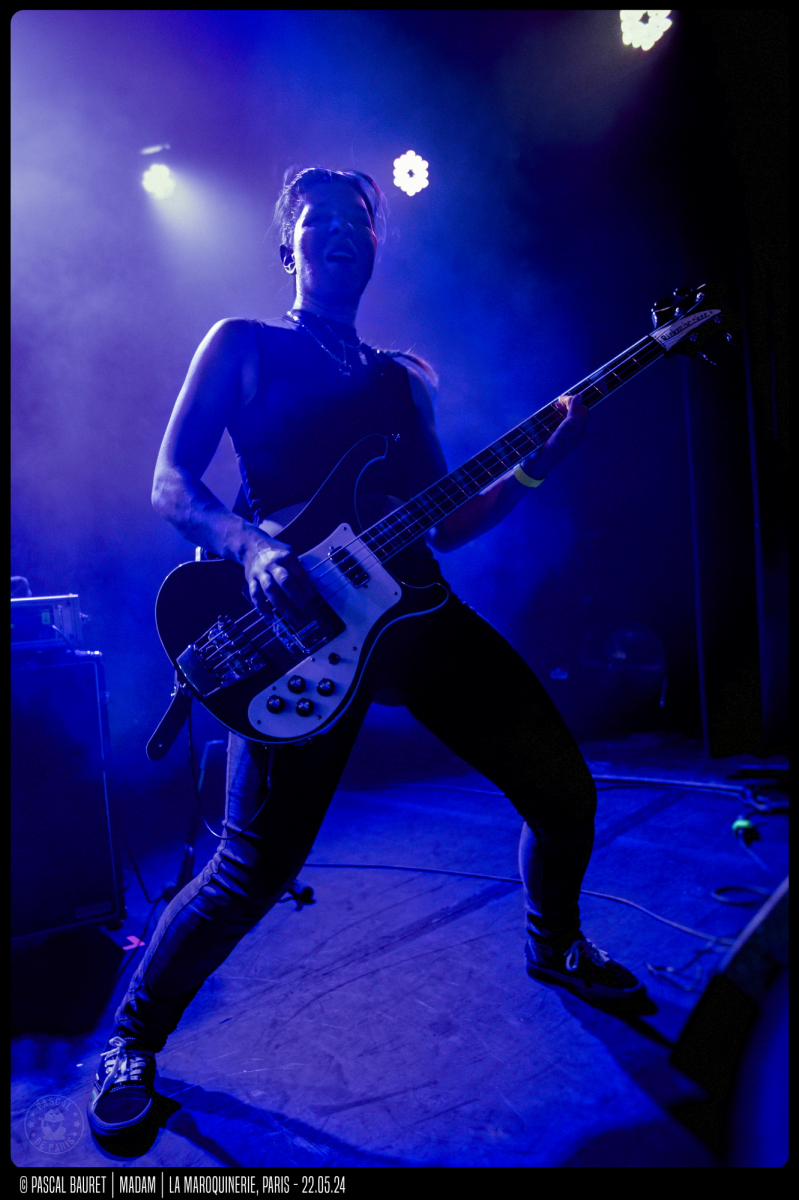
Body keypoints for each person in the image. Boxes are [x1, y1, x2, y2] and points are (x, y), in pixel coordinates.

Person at [88, 167, 643, 1139]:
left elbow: (448, 519)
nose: (342, 231)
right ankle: (131, 1039)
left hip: (416, 615)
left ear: (378, 245)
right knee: (248, 873)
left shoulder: (401, 378)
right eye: (319, 220)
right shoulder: (243, 345)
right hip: (298, 629)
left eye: (360, 220)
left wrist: (535, 468)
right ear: (287, 245)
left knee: (564, 796)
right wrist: (251, 547)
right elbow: (172, 482)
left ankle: (553, 943)